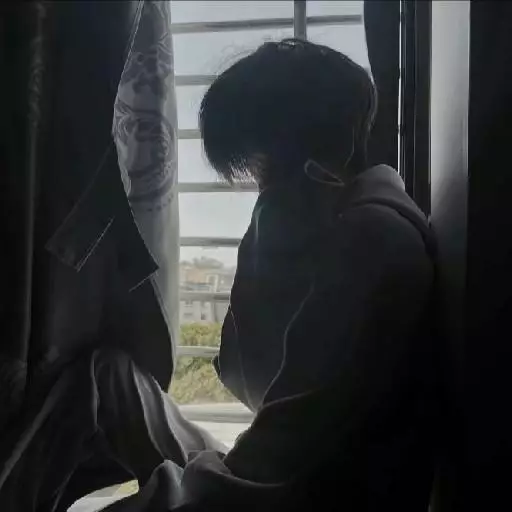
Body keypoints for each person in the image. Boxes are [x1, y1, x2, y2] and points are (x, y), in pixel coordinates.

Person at [0, 39, 439, 512]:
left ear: (326, 150)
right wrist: (270, 243)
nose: (260, 187)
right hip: (274, 469)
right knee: (105, 376)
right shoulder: (345, 221)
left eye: (265, 169)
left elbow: (272, 472)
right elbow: (249, 380)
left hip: (300, 497)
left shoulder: (373, 240)